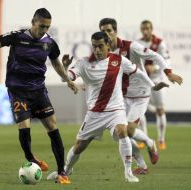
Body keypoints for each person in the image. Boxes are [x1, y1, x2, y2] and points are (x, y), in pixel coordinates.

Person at [0, 8, 78, 184]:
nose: (44, 30)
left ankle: (61, 172)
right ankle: (31, 158)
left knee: (52, 126)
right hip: (18, 90)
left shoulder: (49, 43)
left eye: (47, 27)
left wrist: (68, 80)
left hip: (38, 91)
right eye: (42, 26)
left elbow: (56, 63)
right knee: (24, 125)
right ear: (33, 22)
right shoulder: (16, 36)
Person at [48, 31, 171, 182]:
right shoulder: (84, 63)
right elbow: (68, 78)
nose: (97, 50)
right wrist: (65, 69)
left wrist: (153, 87)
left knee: (123, 132)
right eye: (94, 47)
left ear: (108, 45)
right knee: (79, 146)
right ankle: (65, 170)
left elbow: (138, 73)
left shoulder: (119, 60)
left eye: (100, 46)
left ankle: (128, 172)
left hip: (116, 110)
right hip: (94, 113)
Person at [98, 18, 182, 174]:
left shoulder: (131, 46)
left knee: (129, 130)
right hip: (121, 96)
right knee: (118, 134)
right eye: (103, 31)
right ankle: (142, 165)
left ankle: (151, 143)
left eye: (109, 30)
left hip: (141, 93)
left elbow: (156, 56)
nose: (106, 34)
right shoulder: (103, 52)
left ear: (115, 31)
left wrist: (168, 73)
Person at [137, 20, 171, 150]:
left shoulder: (159, 43)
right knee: (139, 110)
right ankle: (143, 138)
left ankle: (161, 139)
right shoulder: (138, 43)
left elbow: (166, 61)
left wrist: (155, 67)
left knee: (160, 109)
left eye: (147, 28)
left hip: (157, 80)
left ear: (151, 29)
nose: (145, 31)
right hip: (143, 81)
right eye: (143, 29)